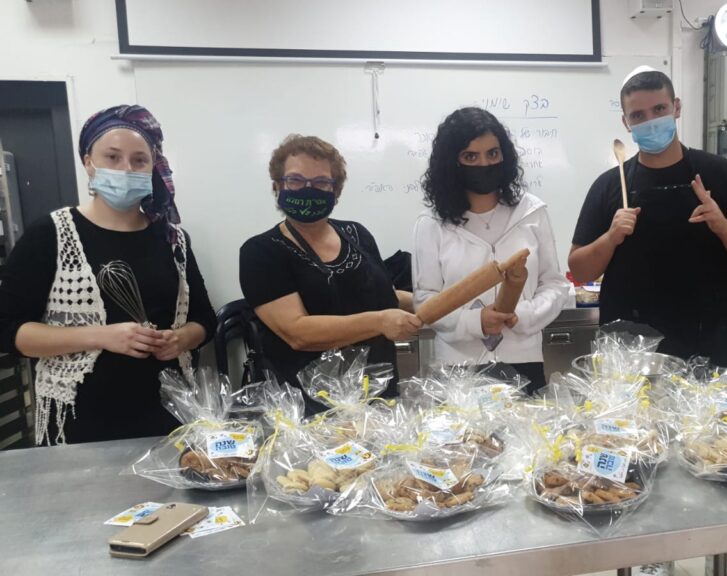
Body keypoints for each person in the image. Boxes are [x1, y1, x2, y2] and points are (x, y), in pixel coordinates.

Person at [0, 104, 217, 445]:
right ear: (89, 162)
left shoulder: (173, 239)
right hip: (80, 419)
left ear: (152, 167)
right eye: (112, 157)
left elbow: (204, 319)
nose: (126, 169)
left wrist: (182, 339)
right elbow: (9, 332)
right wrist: (101, 336)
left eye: (139, 160)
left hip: (169, 411)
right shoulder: (51, 234)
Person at [568, 67, 727, 367]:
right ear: (626, 123)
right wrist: (610, 238)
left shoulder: (721, 173)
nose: (650, 121)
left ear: (676, 107)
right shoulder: (609, 185)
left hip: (713, 340)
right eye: (638, 115)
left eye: (659, 109)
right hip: (633, 347)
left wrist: (723, 226)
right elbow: (579, 270)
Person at [239, 135, 420, 401]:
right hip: (312, 403)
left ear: (336, 191)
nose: (307, 189)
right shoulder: (261, 251)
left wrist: (429, 302)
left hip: (379, 390)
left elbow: (385, 295)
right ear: (278, 185)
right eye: (295, 180)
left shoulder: (357, 234)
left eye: (321, 182)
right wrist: (380, 321)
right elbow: (298, 333)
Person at [413, 107, 570, 394]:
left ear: (504, 156)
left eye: (492, 154)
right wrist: (475, 322)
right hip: (458, 367)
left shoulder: (531, 212)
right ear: (452, 162)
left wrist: (523, 315)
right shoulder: (432, 223)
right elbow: (426, 300)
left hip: (523, 360)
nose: (484, 164)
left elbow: (554, 284)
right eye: (470, 157)